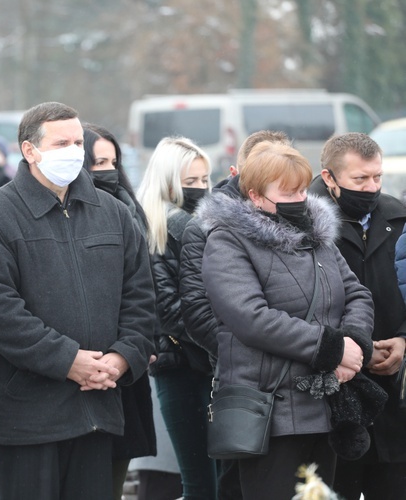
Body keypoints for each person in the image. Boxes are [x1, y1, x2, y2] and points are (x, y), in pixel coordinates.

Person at [0, 102, 156, 500]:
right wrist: (69, 361)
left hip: (97, 408)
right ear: (29, 150)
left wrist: (121, 358)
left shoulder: (114, 214)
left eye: (78, 141)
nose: (74, 151)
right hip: (28, 417)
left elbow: (140, 297)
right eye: (61, 142)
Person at [199, 142, 374, 499]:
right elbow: (251, 318)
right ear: (256, 195)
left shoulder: (317, 238)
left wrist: (353, 341)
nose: (299, 199)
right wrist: (332, 349)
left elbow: (356, 294)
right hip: (270, 413)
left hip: (326, 405)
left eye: (301, 189)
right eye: (288, 191)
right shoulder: (228, 241)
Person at [179, 130, 291, 499]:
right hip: (243, 382)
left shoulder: (302, 220)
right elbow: (196, 310)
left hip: (303, 381)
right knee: (240, 483)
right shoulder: (207, 225)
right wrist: (249, 355)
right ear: (240, 173)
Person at [309, 132, 406, 500]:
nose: (372, 188)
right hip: (333, 389)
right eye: (360, 179)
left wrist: (403, 338)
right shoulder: (304, 222)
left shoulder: (398, 216)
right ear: (329, 178)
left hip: (393, 388)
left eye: (377, 177)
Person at [136, 136, 217, 500]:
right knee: (200, 479)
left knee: (216, 477)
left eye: (204, 180)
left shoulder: (204, 225)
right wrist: (223, 339)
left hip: (209, 361)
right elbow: (166, 309)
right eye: (191, 181)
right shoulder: (156, 228)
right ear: (167, 180)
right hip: (180, 363)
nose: (200, 188)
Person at [82, 124, 157, 500]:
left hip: (124, 365)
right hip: (83, 367)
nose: (108, 171)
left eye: (113, 161)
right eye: (98, 162)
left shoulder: (129, 210)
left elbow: (142, 289)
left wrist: (131, 350)